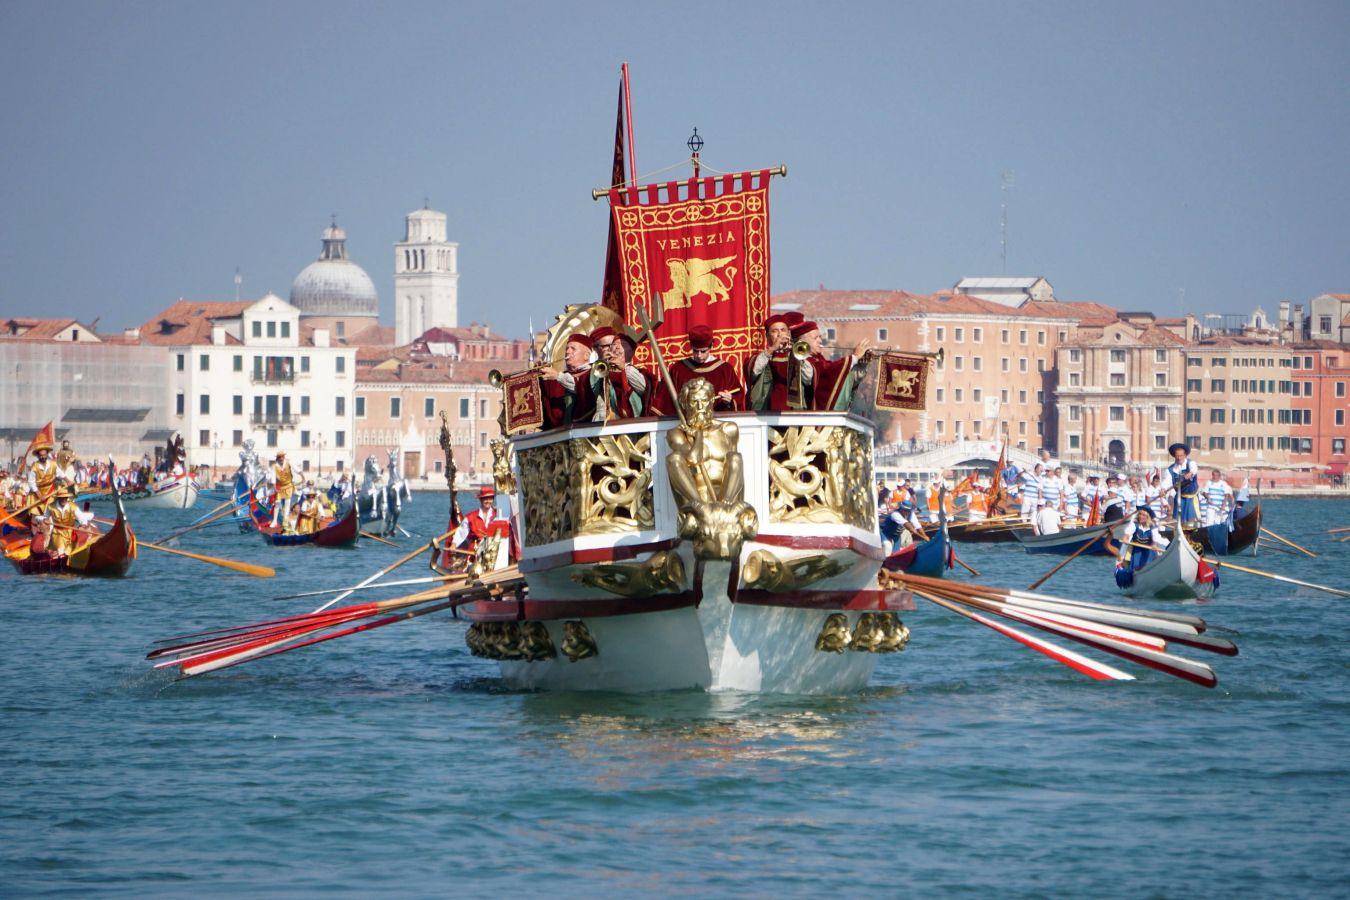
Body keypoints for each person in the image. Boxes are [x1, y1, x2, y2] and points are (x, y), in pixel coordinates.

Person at [654, 324, 743, 414]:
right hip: (686, 424)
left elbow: (739, 398)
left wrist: (730, 400)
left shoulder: (725, 369)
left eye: (703, 351)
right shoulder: (678, 369)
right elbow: (662, 401)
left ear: (711, 346)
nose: (699, 355)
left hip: (716, 422)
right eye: (695, 351)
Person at [791, 320, 872, 411]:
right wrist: (854, 357)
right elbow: (816, 376)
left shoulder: (820, 360)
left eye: (820, 337)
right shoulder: (802, 361)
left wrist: (861, 365)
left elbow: (844, 380)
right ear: (802, 342)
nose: (820, 341)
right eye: (815, 338)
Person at [746, 313, 813, 411]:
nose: (779, 334)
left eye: (783, 330)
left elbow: (808, 378)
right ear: (768, 336)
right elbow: (754, 372)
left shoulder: (798, 356)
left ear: (788, 334)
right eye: (774, 331)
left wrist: (797, 354)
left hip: (795, 413)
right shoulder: (762, 358)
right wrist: (772, 349)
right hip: (766, 413)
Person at [590, 326, 653, 420]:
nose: (617, 347)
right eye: (614, 344)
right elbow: (594, 387)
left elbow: (643, 388)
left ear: (632, 352)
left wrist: (623, 368)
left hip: (632, 421)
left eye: (623, 344)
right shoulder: (604, 368)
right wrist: (603, 362)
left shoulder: (637, 371)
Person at [541, 333, 599, 426]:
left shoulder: (595, 373)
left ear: (586, 356)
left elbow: (585, 390)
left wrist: (558, 376)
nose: (568, 352)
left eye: (573, 349)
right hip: (561, 432)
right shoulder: (561, 375)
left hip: (586, 428)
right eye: (567, 349)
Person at [1114, 506, 1169, 588]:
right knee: (1136, 567)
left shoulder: (1152, 527)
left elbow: (1155, 539)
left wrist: (1154, 545)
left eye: (1143, 515)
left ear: (1148, 517)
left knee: (1149, 561)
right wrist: (1125, 539)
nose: (1140, 516)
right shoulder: (1134, 525)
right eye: (1139, 514)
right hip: (1137, 551)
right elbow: (1127, 535)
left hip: (1149, 551)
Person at [41, 483, 97, 557]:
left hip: (70, 533)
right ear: (58, 498)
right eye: (61, 498)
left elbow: (81, 518)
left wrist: (83, 525)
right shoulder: (51, 506)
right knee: (60, 551)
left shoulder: (73, 507)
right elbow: (45, 517)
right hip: (57, 533)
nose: (63, 499)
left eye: (65, 497)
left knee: (71, 551)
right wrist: (45, 520)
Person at [1164, 442, 1201, 525]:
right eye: (1177, 456)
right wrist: (1163, 489)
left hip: (1190, 498)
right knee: (1178, 523)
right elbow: (1167, 482)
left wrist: (1190, 473)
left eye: (1181, 455)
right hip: (1179, 498)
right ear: (1174, 456)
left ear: (1185, 455)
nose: (1179, 458)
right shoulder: (1170, 469)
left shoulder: (1190, 463)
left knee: (1191, 523)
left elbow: (1194, 469)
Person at [26, 439, 59, 512]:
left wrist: (68, 481)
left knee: (51, 511)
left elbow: (61, 474)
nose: (43, 457)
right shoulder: (34, 467)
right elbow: (31, 483)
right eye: (41, 455)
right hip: (37, 493)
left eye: (44, 455)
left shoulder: (53, 464)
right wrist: (40, 496)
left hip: (50, 492)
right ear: (38, 456)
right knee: (35, 512)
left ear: (47, 454)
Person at [269, 451, 297, 528]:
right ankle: (274, 521)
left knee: (287, 503)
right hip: (280, 487)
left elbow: (297, 470)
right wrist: (275, 488)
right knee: (277, 503)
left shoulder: (289, 463)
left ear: (284, 457)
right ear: (277, 458)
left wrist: (303, 477)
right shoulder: (274, 466)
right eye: (279, 457)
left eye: (282, 457)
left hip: (288, 486)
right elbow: (273, 478)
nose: (281, 458)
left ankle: (285, 521)